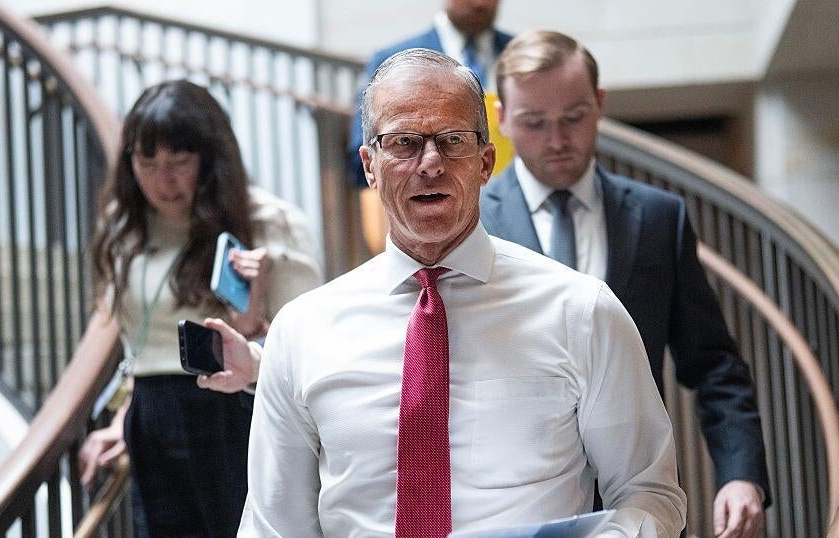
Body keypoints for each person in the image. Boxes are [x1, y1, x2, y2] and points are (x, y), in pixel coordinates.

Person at [235, 48, 686, 537]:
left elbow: (648, 492)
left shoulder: (581, 311)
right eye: (404, 142)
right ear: (369, 166)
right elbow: (273, 525)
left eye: (452, 141)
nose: (431, 163)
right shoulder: (302, 331)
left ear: (485, 161)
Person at [480, 30, 770, 538]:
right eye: (534, 122)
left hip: (641, 505)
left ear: (600, 103)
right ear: (502, 118)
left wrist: (741, 474)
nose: (556, 140)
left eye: (574, 117)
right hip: (514, 511)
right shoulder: (472, 226)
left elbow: (714, 364)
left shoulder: (659, 218)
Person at [76, 80, 323, 538]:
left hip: (232, 407)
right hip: (150, 414)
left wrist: (252, 321)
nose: (162, 181)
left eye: (179, 162)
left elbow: (307, 350)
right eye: (146, 162)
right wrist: (123, 418)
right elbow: (143, 341)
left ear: (210, 160)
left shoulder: (267, 222)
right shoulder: (127, 228)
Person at [346, 0, 513, 189]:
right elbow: (360, 162)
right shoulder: (391, 62)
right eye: (405, 141)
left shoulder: (521, 57)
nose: (480, 3)